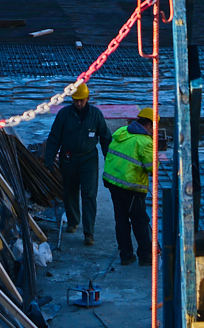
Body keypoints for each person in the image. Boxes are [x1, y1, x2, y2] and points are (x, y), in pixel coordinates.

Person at [43, 84, 111, 244]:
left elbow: (105, 138)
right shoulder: (64, 114)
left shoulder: (95, 115)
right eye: (76, 100)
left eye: (81, 100)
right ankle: (73, 222)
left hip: (89, 159)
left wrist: (110, 159)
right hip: (69, 159)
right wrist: (49, 159)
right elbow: (54, 138)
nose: (78, 103)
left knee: (89, 195)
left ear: (87, 99)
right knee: (70, 191)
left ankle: (89, 232)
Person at [103, 108, 155, 266]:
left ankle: (126, 256)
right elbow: (152, 168)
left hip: (113, 183)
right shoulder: (145, 142)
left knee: (121, 221)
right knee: (140, 222)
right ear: (150, 125)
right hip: (131, 188)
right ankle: (145, 256)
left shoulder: (122, 131)